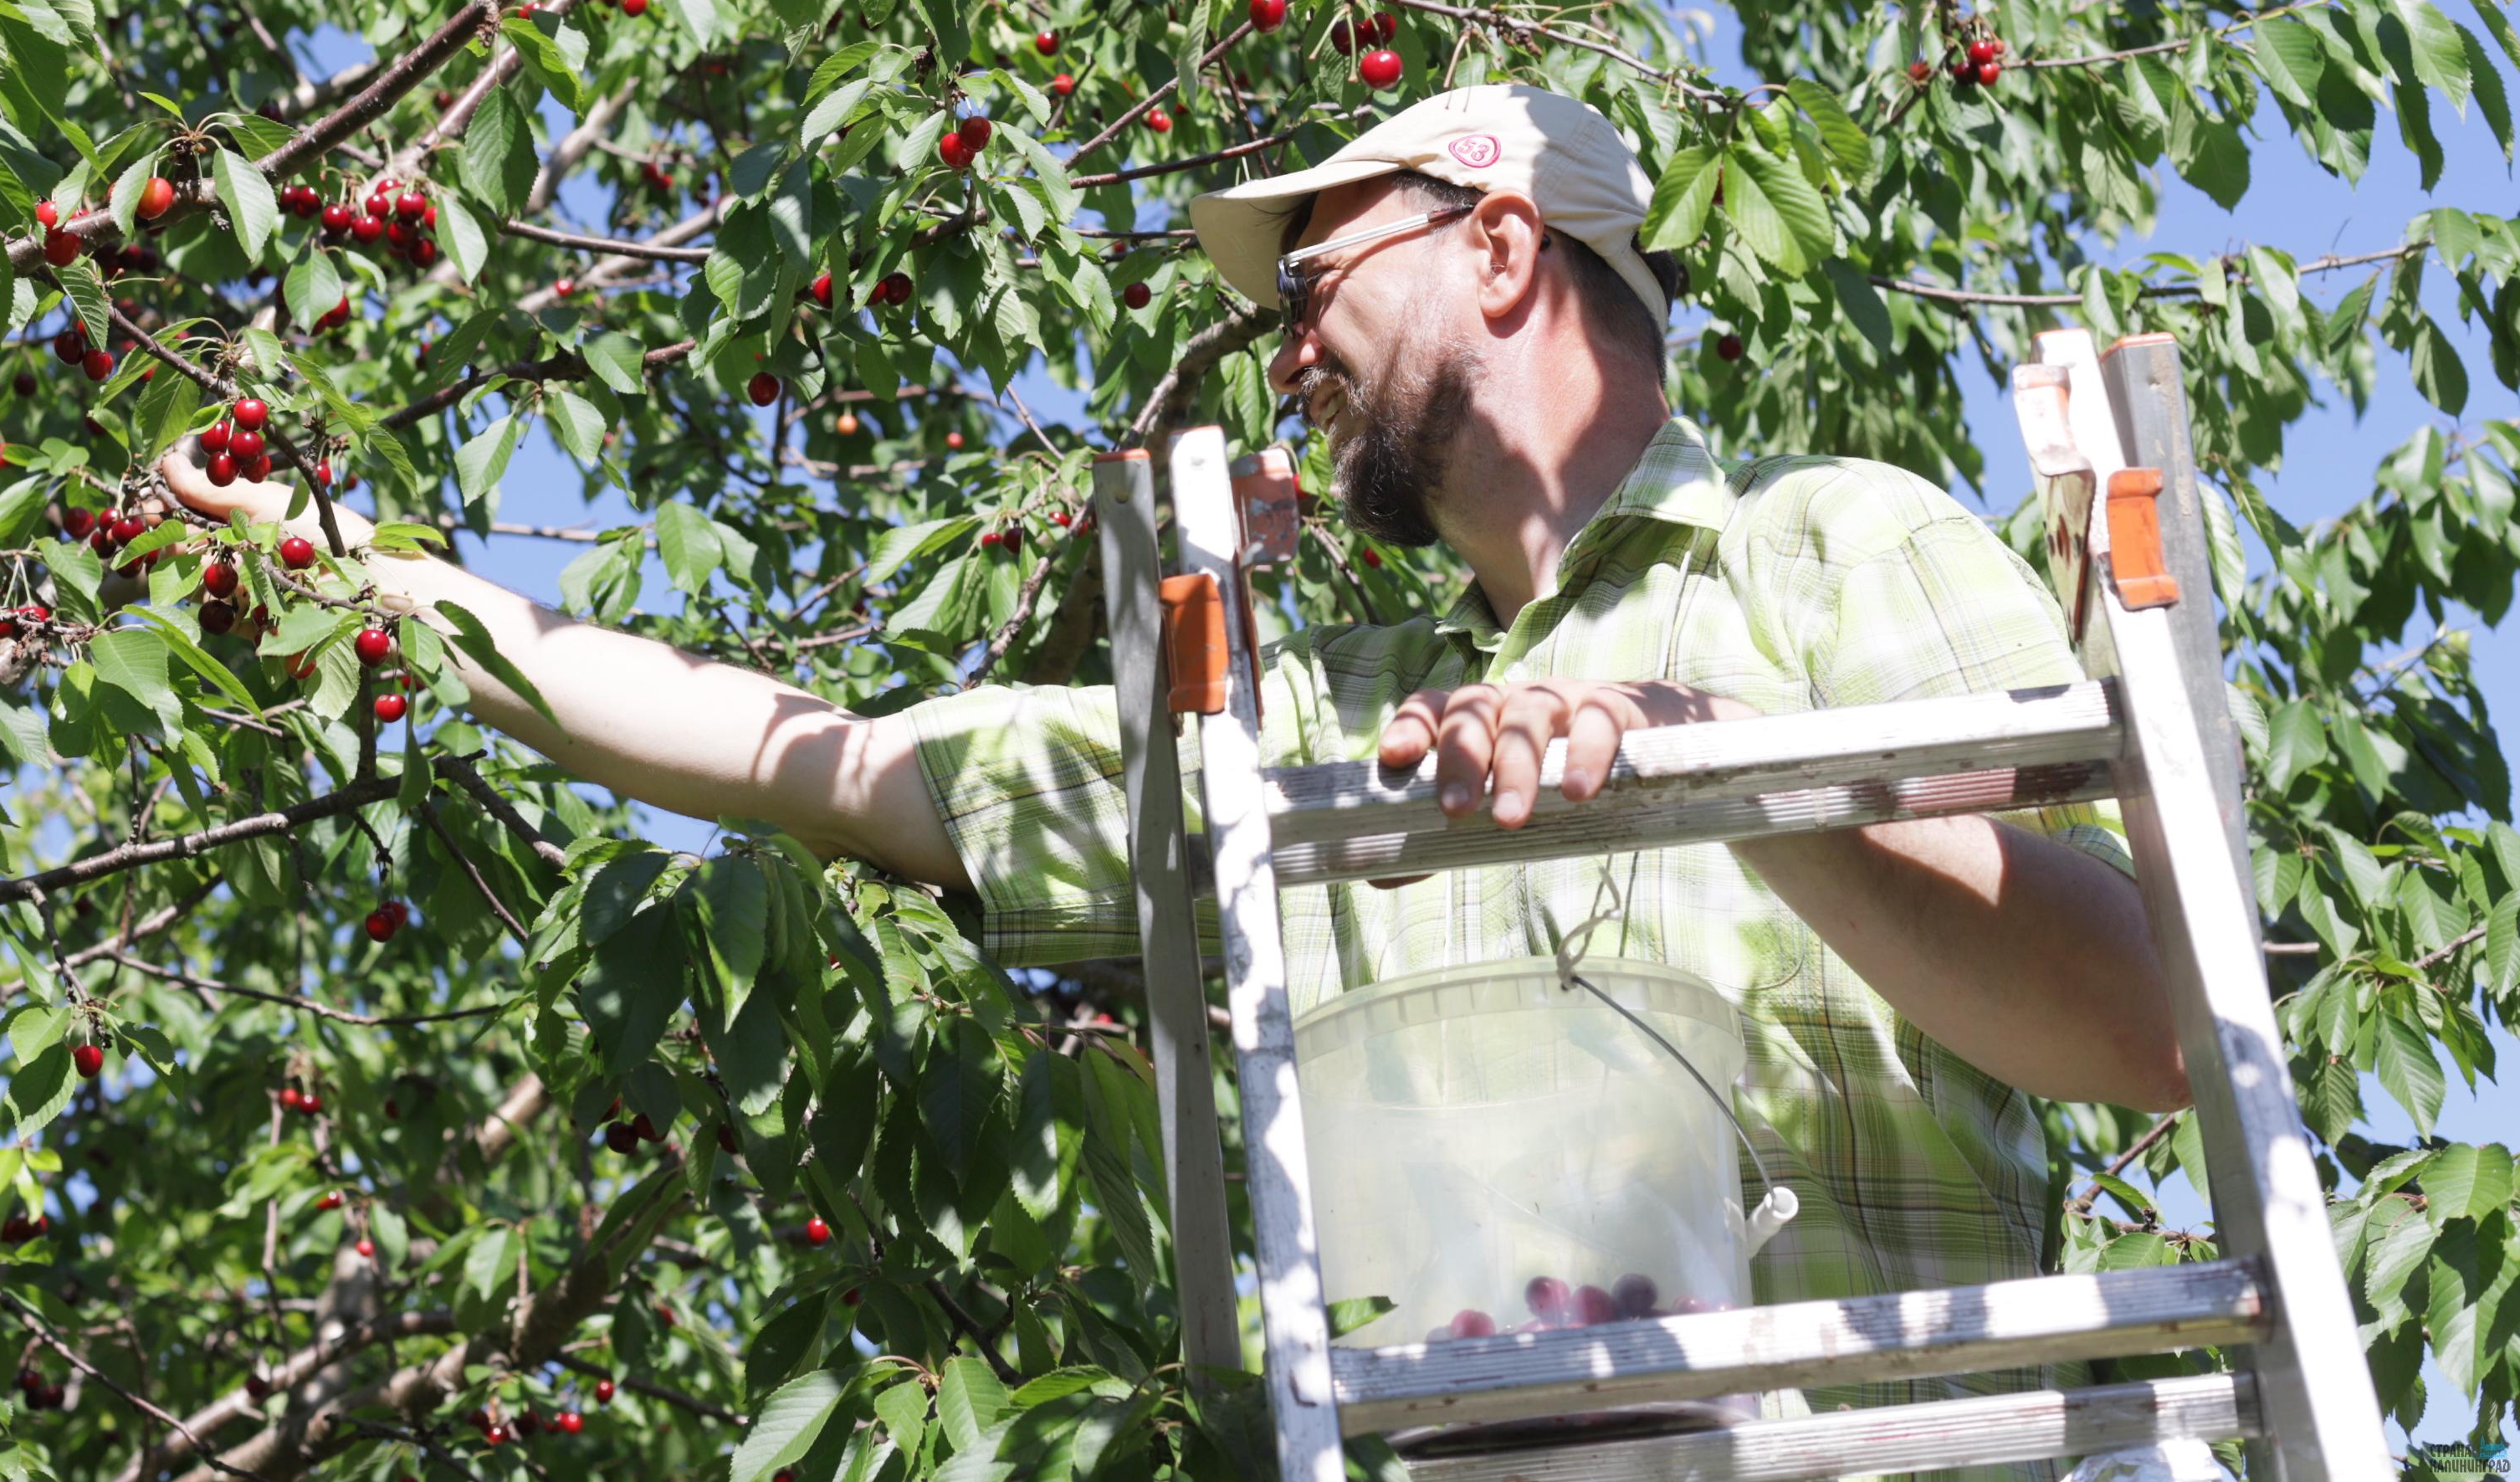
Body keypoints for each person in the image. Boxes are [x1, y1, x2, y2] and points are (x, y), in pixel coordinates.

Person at [163, 80, 2190, 1415]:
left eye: (1312, 284)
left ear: (1496, 248)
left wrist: (1724, 773)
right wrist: (347, 574)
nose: (1285, 348)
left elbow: (2150, 1031)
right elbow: (790, 748)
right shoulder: (1323, 731)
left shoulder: (1820, 545)